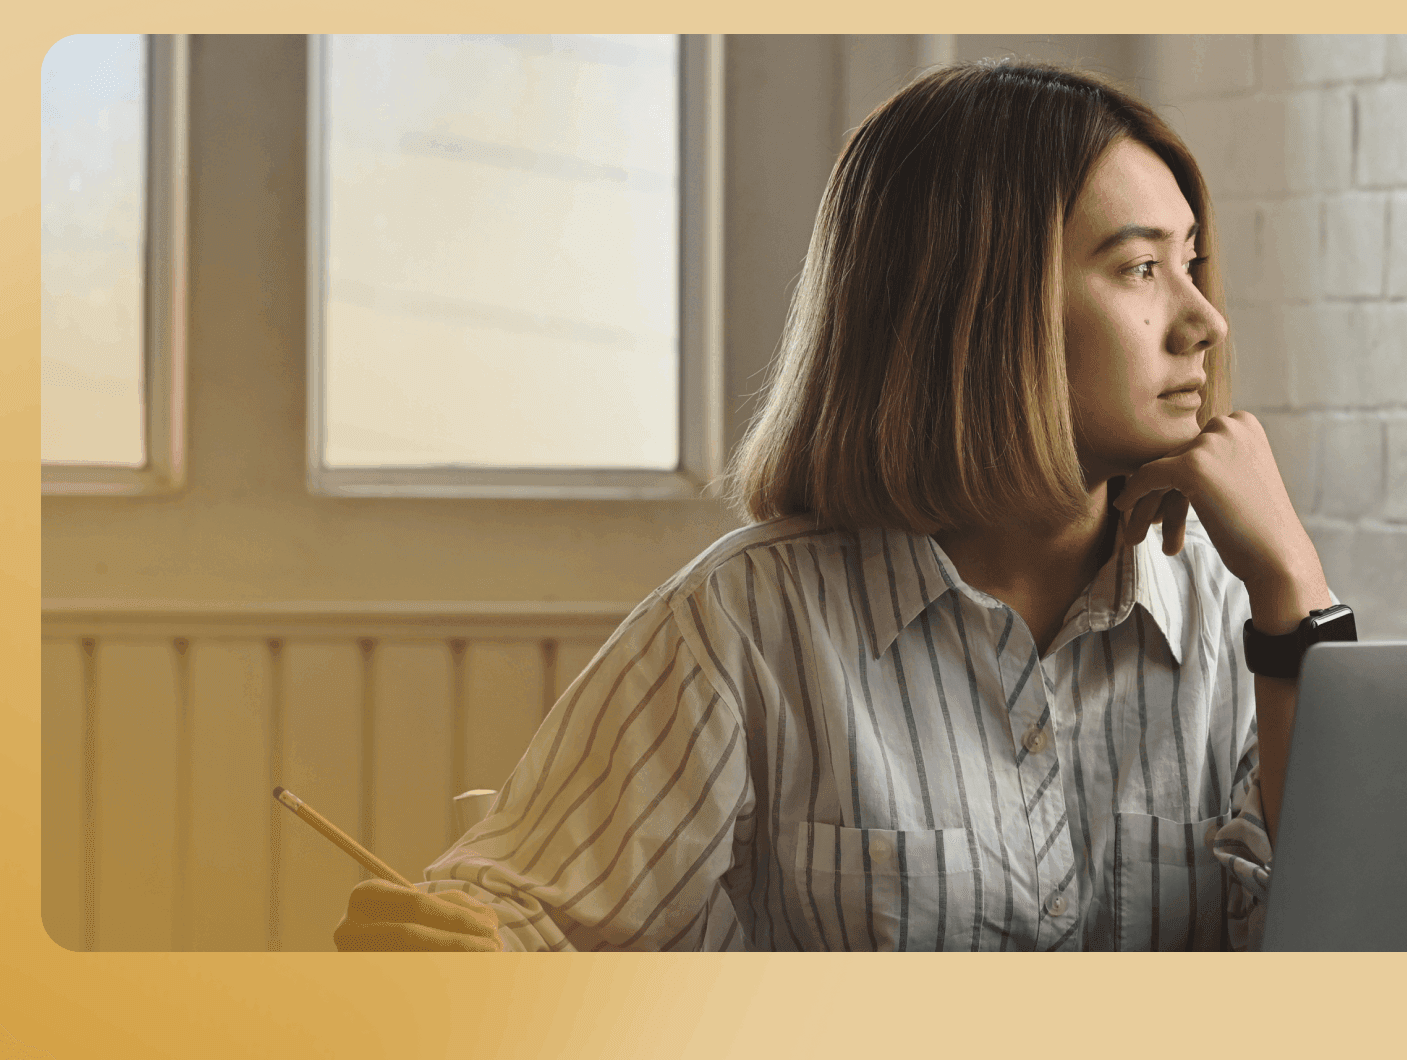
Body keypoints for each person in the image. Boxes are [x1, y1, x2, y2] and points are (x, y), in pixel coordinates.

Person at [333, 60, 1345, 952]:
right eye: (1139, 268)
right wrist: (451, 952)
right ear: (976, 306)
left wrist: (1293, 593)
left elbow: (1336, 954)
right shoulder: (744, 623)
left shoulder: (1234, 618)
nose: (1203, 319)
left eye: (1191, 262)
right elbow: (526, 923)